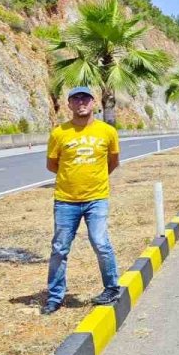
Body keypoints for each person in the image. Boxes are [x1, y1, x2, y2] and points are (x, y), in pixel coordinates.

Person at [41, 86, 122, 315]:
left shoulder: (107, 131)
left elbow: (113, 161)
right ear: (69, 105)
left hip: (97, 198)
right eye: (75, 99)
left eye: (85, 98)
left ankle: (112, 288)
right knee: (59, 249)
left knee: (101, 242)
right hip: (66, 200)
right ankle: (55, 297)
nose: (81, 103)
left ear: (93, 102)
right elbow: (52, 165)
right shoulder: (59, 133)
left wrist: (94, 179)